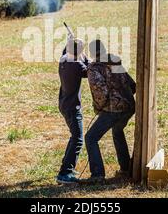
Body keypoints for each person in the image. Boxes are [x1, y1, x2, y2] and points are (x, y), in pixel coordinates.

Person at [84, 40, 136, 183]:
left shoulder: (94, 68)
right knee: (117, 132)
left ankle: (97, 175)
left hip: (113, 109)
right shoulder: (115, 62)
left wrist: (99, 108)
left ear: (92, 53)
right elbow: (132, 85)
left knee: (90, 138)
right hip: (129, 107)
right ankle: (125, 169)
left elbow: (100, 92)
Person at [56, 36, 89, 184]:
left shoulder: (63, 59)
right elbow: (90, 69)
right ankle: (65, 173)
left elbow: (66, 50)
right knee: (78, 138)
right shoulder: (77, 65)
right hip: (72, 107)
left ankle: (67, 165)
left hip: (64, 104)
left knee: (74, 135)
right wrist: (83, 54)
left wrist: (71, 43)